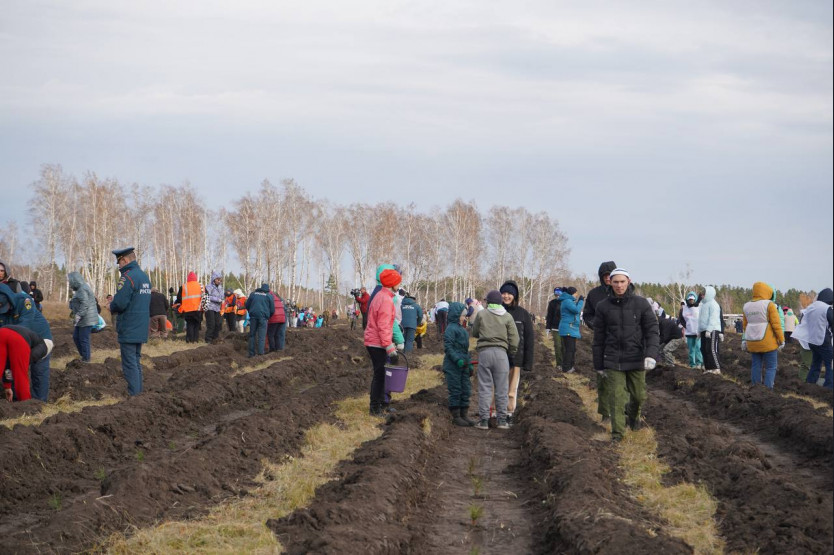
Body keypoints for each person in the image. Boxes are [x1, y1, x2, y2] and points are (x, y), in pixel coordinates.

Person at [592, 268, 659, 442]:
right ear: (610, 283)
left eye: (622, 282)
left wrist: (651, 354)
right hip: (613, 359)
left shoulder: (641, 304)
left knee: (638, 395)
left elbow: (652, 330)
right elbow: (598, 338)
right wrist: (598, 365)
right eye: (616, 282)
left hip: (636, 357)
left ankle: (633, 416)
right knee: (616, 397)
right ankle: (617, 434)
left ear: (628, 282)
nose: (619, 285)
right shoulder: (603, 307)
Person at [472, 290, 519, 429]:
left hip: (485, 353)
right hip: (501, 354)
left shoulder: (481, 314)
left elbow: (475, 332)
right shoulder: (507, 316)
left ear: (488, 302)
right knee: (502, 388)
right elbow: (515, 339)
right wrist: (512, 352)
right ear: (500, 302)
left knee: (485, 387)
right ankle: (502, 421)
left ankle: (484, 421)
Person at [108, 247, 151, 396]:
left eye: (119, 262)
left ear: (125, 260)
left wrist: (111, 305)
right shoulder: (144, 277)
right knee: (136, 361)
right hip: (141, 326)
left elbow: (120, 303)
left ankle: (134, 397)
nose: (118, 266)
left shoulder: (128, 277)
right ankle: (138, 395)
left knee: (129, 364)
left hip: (129, 326)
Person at [0, 281, 53, 401]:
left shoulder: (24, 301)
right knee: (12, 368)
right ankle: (17, 402)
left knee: (38, 372)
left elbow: (24, 325)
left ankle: (38, 404)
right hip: (18, 340)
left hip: (40, 340)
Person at [364, 267, 404, 417]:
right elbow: (384, 326)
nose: (399, 286)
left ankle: (381, 404)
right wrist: (389, 347)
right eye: (398, 283)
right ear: (393, 284)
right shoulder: (386, 300)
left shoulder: (381, 296)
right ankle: (375, 408)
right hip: (377, 343)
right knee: (380, 375)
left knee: (381, 374)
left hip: (374, 341)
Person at [582, 260, 617, 422]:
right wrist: (595, 324)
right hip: (602, 341)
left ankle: (622, 410)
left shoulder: (623, 292)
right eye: (605, 276)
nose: (608, 278)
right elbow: (587, 314)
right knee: (603, 377)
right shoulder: (594, 294)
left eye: (611, 275)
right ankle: (605, 413)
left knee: (622, 378)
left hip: (621, 341)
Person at [500, 280, 534, 426]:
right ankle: (495, 412)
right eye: (504, 293)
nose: (506, 296)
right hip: (499, 357)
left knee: (512, 389)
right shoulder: (497, 312)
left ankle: (509, 413)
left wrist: (528, 361)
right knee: (497, 386)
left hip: (517, 358)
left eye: (509, 294)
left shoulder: (523, 314)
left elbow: (529, 339)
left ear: (515, 296)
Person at [741, 282, 785, 389]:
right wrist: (781, 340)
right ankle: (768, 390)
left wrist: (744, 340)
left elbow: (745, 325)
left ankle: (755, 388)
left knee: (756, 365)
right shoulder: (769, 304)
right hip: (768, 342)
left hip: (752, 341)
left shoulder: (746, 306)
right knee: (771, 367)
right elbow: (776, 324)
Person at [792, 288, 833, 388]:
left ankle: (810, 384)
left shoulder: (811, 307)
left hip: (812, 341)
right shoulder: (826, 308)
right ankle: (829, 387)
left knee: (815, 364)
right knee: (830, 365)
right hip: (823, 340)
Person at [0, 325, 53, 402]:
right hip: (18, 338)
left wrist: (7, 386)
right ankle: (26, 404)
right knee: (20, 375)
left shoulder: (35, 337)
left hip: (2, 332)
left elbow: (7, 365)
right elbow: (18, 366)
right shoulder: (43, 347)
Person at [443, 302, 475, 427]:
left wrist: (469, 363)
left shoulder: (463, 329)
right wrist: (457, 360)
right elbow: (448, 348)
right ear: (456, 315)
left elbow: (465, 350)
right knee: (456, 389)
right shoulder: (450, 329)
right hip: (453, 366)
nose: (464, 318)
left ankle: (464, 414)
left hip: (464, 364)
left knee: (465, 389)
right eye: (462, 316)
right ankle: (456, 415)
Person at [68, 271, 98, 362]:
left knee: (83, 339)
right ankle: (84, 356)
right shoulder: (80, 289)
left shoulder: (82, 289)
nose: (70, 283)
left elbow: (85, 304)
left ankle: (86, 359)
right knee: (76, 337)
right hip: (82, 318)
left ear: (75, 280)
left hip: (86, 318)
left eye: (70, 281)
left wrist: (78, 315)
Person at [558, 287, 584, 373]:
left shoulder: (569, 301)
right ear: (573, 293)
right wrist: (580, 301)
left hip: (571, 328)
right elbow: (576, 310)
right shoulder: (567, 301)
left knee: (572, 349)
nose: (576, 295)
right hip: (568, 328)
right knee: (569, 349)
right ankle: (566, 368)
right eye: (576, 293)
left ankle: (570, 366)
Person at [698, 285, 722, 375]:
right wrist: (699, 331)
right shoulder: (702, 305)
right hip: (704, 330)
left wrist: (709, 329)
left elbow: (713, 318)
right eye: (702, 294)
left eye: (704, 294)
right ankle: (708, 368)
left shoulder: (713, 304)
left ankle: (716, 367)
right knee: (703, 349)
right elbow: (700, 319)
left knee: (711, 348)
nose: (702, 295)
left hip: (712, 330)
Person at [245, 283, 274, 357]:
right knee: (261, 336)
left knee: (252, 335)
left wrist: (251, 312)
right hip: (263, 318)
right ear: (268, 290)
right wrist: (268, 316)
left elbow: (247, 305)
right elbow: (272, 309)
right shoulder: (269, 296)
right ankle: (260, 353)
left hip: (253, 316)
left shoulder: (253, 294)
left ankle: (251, 353)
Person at [176, 272, 204, 343]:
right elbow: (204, 297)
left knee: (190, 325)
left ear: (188, 278)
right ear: (195, 278)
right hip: (198, 309)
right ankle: (196, 340)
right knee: (197, 325)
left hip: (188, 309)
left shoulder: (183, 286)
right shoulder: (200, 286)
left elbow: (179, 298)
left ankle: (189, 340)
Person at [679, 291, 703, 369]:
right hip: (689, 332)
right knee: (691, 350)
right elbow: (681, 319)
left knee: (698, 348)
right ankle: (692, 364)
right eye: (690, 300)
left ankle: (699, 363)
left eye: (692, 299)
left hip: (697, 333)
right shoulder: (684, 309)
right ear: (687, 300)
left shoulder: (699, 307)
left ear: (695, 299)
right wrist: (686, 326)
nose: (691, 301)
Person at [545, 287, 564, 368]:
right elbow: (549, 316)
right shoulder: (552, 303)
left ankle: (565, 363)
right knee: (557, 346)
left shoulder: (566, 302)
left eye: (559, 292)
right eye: (556, 292)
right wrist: (548, 327)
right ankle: (559, 364)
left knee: (564, 346)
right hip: (555, 328)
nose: (557, 294)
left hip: (565, 327)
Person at [204, 271, 224, 343]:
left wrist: (222, 300)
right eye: (217, 279)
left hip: (217, 309)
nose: (219, 281)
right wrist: (217, 299)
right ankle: (208, 339)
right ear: (214, 279)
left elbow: (222, 297)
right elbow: (207, 296)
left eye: (220, 280)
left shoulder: (221, 288)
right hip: (210, 308)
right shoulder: (208, 287)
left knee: (218, 324)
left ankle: (215, 339)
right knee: (211, 324)